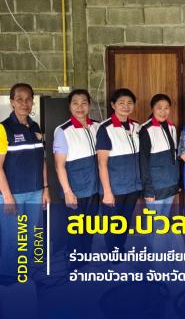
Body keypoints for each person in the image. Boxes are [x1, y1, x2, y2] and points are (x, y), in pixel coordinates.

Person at [0, 83, 50, 276]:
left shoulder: (35, 127)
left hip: (35, 193)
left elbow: (42, 160)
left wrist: (45, 189)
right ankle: (9, 280)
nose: (24, 103)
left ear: (33, 102)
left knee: (32, 236)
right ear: (12, 102)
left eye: (28, 99)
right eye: (19, 99)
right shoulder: (3, 129)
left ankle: (26, 276)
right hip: (13, 195)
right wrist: (7, 197)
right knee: (12, 240)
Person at [53, 89, 100, 265]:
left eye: (84, 103)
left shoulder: (97, 127)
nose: (80, 107)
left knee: (90, 227)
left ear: (90, 105)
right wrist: (67, 192)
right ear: (69, 106)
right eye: (75, 103)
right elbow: (59, 166)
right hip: (75, 190)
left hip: (94, 189)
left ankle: (85, 259)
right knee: (75, 229)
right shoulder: (63, 131)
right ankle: (74, 263)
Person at [96, 88, 142, 253]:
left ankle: (120, 248)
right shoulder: (105, 128)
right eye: (121, 103)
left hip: (133, 186)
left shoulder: (136, 127)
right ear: (113, 105)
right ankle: (113, 253)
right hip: (114, 187)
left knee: (125, 221)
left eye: (129, 103)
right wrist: (107, 192)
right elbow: (102, 163)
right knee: (112, 224)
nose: (126, 106)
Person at [139, 93, 180, 247]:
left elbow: (174, 157)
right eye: (159, 108)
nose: (163, 111)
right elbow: (143, 162)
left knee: (163, 221)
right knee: (154, 223)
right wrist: (148, 190)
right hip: (155, 187)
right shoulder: (146, 129)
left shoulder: (172, 127)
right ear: (152, 109)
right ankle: (153, 255)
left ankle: (159, 252)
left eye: (166, 108)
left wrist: (177, 182)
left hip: (170, 184)